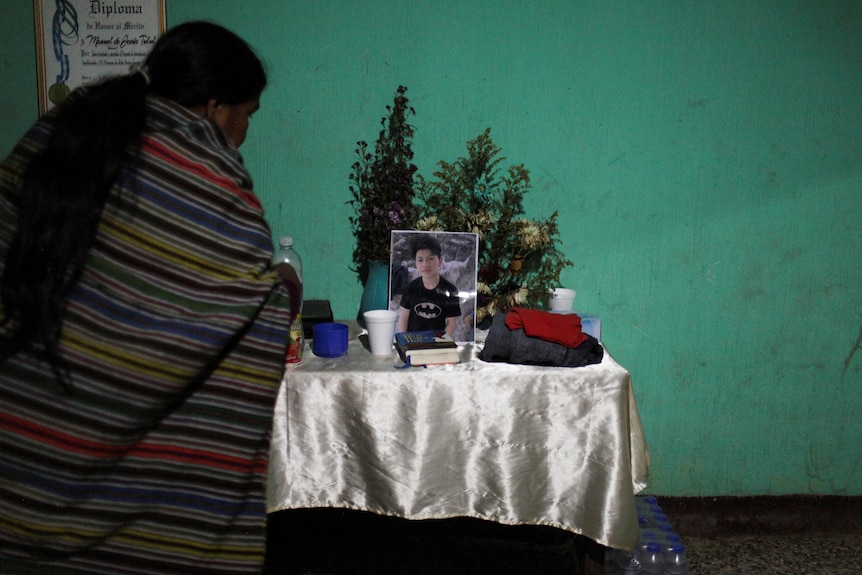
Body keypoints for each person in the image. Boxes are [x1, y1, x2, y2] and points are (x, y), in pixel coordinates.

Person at [0, 22, 298, 574]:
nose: (245, 133)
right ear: (214, 106)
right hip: (129, 528)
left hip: (18, 461)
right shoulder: (205, 182)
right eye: (248, 116)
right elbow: (236, 309)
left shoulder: (60, 133)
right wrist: (282, 293)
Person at [396, 235, 461, 336]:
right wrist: (403, 341)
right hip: (413, 340)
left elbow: (452, 322)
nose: (425, 264)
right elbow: (404, 317)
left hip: (437, 339)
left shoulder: (450, 291)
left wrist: (441, 343)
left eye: (430, 259)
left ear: (440, 261)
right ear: (415, 264)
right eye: (420, 260)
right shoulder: (410, 288)